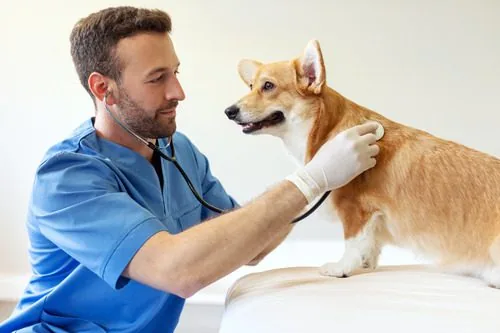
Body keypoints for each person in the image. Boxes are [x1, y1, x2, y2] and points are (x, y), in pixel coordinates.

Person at [0, 6, 382, 333]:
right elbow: (177, 271)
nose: (178, 92)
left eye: (175, 72)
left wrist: (316, 173)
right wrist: (311, 177)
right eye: (157, 78)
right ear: (104, 89)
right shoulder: (66, 179)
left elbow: (251, 246)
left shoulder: (177, 150)